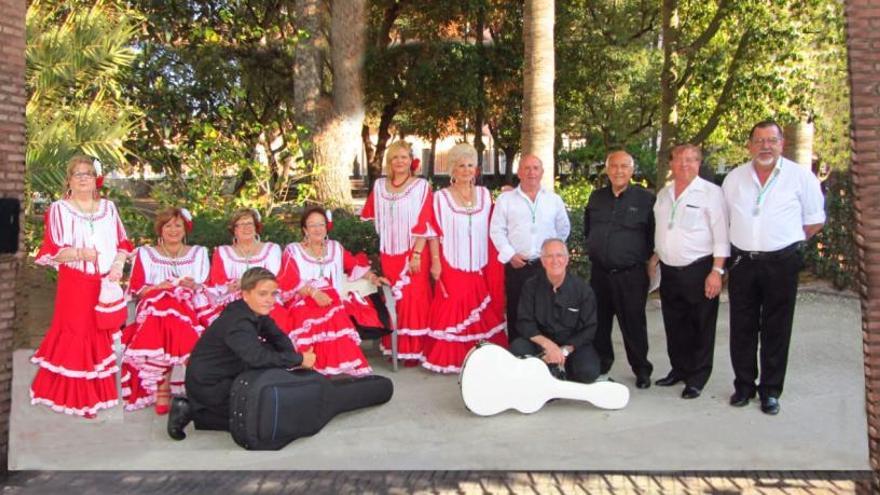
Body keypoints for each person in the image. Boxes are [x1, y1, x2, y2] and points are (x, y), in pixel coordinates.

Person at [722, 120, 825, 415]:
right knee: (742, 327)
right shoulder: (734, 178)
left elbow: (815, 220)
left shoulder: (800, 177)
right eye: (759, 140)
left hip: (782, 263)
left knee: (776, 328)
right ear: (749, 145)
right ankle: (743, 385)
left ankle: (770, 391)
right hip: (743, 262)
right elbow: (727, 217)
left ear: (781, 144)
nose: (765, 146)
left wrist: (785, 241)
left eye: (772, 140)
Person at [30, 155, 133, 418]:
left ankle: (95, 396)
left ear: (95, 179)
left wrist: (118, 266)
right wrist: (78, 253)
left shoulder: (108, 208)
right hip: (75, 284)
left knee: (100, 335)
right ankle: (74, 398)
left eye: (88, 173)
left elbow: (123, 243)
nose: (84, 177)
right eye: (78, 174)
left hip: (105, 282)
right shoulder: (59, 210)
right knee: (76, 335)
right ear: (69, 180)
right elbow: (51, 251)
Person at [167, 267, 317, 439]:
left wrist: (292, 360)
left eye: (273, 294)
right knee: (264, 421)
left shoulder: (253, 311)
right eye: (263, 294)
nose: (270, 300)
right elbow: (257, 358)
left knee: (271, 367)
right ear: (245, 294)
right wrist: (299, 359)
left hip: (227, 373)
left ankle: (202, 411)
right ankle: (189, 409)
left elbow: (278, 337)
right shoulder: (238, 322)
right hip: (210, 386)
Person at [650, 144, 729, 399]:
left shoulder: (711, 193)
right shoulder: (664, 194)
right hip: (669, 271)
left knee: (701, 325)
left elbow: (721, 235)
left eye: (691, 159)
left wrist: (717, 271)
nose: (685, 164)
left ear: (699, 163)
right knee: (674, 324)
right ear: (671, 163)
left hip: (699, 269)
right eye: (679, 160)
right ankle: (679, 369)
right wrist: (655, 256)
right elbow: (662, 229)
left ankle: (697, 377)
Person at [421, 144, 508, 373]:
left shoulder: (485, 195)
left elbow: (496, 224)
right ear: (452, 169)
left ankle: (481, 359)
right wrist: (436, 261)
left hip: (480, 264)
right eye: (461, 165)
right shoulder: (440, 198)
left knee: (481, 309)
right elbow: (432, 231)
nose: (467, 170)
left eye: (471, 165)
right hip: (451, 263)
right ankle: (454, 360)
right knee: (453, 307)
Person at [121, 207, 213, 414]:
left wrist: (192, 286)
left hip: (190, 304)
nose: (173, 230)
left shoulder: (198, 253)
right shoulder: (146, 254)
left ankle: (165, 389)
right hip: (154, 305)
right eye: (168, 225)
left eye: (178, 225)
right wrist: (159, 287)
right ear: (160, 229)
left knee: (174, 311)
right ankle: (188, 385)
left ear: (185, 229)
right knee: (165, 307)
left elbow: (206, 285)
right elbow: (137, 288)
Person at [277, 207, 387, 377]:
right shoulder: (293, 250)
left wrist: (373, 277)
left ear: (326, 227)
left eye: (321, 224)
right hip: (302, 298)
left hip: (331, 300)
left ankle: (331, 365)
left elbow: (353, 265)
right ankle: (317, 365)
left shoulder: (335, 248)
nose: (317, 229)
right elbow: (289, 280)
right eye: (312, 225)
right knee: (327, 310)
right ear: (305, 229)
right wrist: (314, 293)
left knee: (333, 307)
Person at [360, 140, 437, 364]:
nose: (399, 161)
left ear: (410, 160)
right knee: (395, 300)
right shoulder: (379, 186)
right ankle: (397, 347)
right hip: (389, 252)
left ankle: (416, 350)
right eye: (395, 157)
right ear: (389, 162)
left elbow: (426, 221)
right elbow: (374, 217)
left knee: (415, 299)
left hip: (413, 252)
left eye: (403, 157)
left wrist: (416, 253)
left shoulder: (421, 186)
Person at [583, 150, 655, 389]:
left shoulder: (646, 200)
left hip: (631, 275)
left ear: (632, 170)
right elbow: (588, 230)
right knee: (600, 324)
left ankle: (641, 369)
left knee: (633, 323)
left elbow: (653, 237)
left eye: (624, 166)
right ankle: (602, 364)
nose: (619, 171)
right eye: (613, 166)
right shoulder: (596, 198)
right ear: (607, 170)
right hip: (600, 274)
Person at [489, 154, 570, 344]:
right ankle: (518, 355)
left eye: (535, 168)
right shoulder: (506, 199)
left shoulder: (554, 199)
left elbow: (563, 228)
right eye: (526, 168)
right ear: (519, 172)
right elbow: (496, 230)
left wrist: (553, 256)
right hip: (518, 265)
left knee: (548, 311)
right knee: (518, 311)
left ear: (542, 172)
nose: (531, 172)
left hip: (546, 267)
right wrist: (510, 255)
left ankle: (547, 355)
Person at [510, 238, 600, 384]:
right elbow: (524, 322)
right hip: (541, 344)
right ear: (542, 261)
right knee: (517, 349)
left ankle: (559, 371)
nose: (555, 261)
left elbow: (589, 329)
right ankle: (547, 369)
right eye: (549, 256)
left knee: (588, 372)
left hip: (571, 346)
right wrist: (549, 347)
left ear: (566, 259)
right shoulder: (530, 286)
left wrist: (563, 351)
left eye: (559, 256)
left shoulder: (583, 290)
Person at [203, 208, 285, 327]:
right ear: (234, 230)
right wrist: (235, 286)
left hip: (266, 298)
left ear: (256, 227)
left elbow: (276, 279)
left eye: (250, 223)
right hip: (233, 300)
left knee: (276, 316)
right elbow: (217, 282)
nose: (246, 227)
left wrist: (247, 283)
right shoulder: (222, 252)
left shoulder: (272, 249)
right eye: (241, 224)